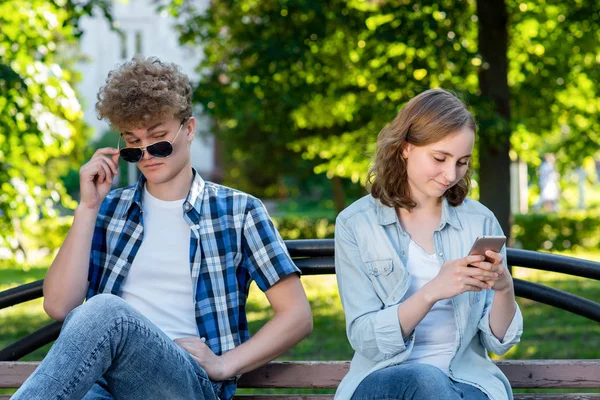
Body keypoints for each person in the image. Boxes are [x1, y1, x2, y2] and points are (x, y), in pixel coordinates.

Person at [13, 56, 313, 400]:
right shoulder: (109, 210)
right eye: (133, 146)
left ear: (188, 129)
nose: (147, 155)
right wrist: (88, 207)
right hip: (104, 385)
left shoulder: (239, 211)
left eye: (158, 141)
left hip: (185, 383)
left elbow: (297, 315)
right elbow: (59, 306)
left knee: (106, 310)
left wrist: (224, 365)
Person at [334, 89, 523, 400]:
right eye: (440, 158)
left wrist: (503, 288)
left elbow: (498, 342)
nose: (451, 174)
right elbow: (366, 339)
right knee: (426, 380)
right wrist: (434, 290)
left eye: (462, 162)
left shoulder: (480, 220)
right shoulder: (356, 224)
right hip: (384, 377)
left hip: (467, 380)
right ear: (405, 148)